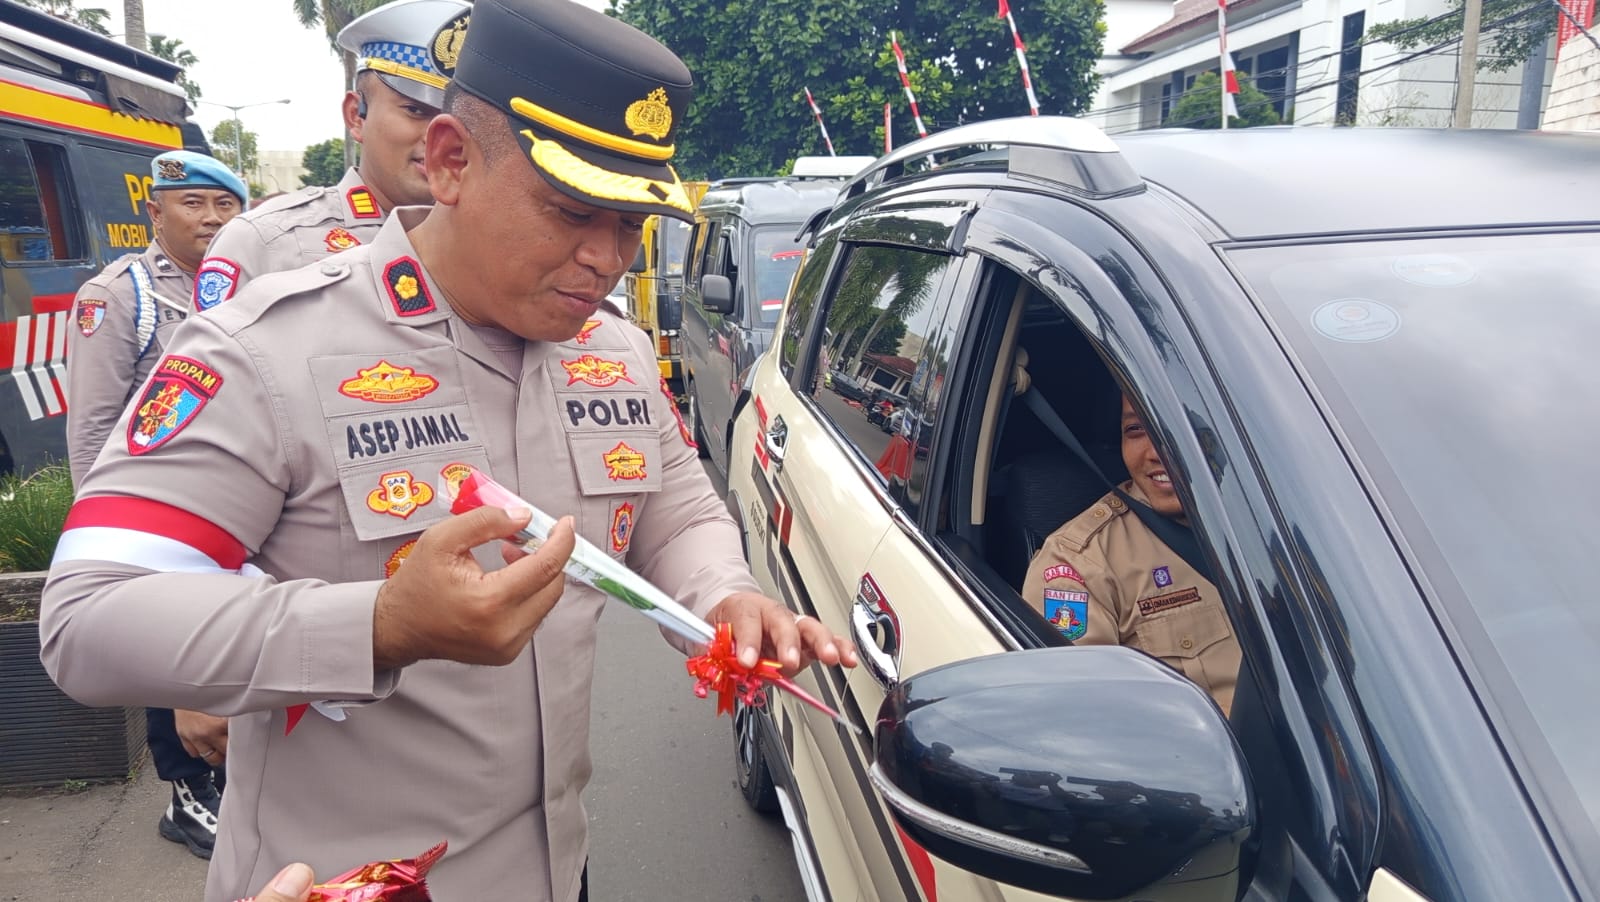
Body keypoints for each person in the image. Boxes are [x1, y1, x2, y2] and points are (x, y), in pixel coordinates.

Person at [41, 2, 857, 900]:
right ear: (450, 160)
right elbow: (87, 617)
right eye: (572, 210)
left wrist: (727, 595)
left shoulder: (615, 349)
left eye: (632, 223)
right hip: (353, 882)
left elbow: (675, 509)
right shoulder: (265, 350)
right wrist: (379, 626)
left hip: (557, 869)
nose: (608, 259)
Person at [62, 148, 247, 860]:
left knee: (227, 638)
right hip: (156, 511)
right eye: (192, 204)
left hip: (234, 498)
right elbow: (91, 428)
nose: (211, 219)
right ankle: (186, 793)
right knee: (171, 645)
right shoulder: (119, 297)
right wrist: (105, 542)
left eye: (224, 205)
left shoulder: (244, 281)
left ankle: (233, 774)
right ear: (155, 212)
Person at [190, 0, 469, 311]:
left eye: (460, 121)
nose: (440, 138)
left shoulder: (486, 246)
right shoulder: (264, 242)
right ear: (356, 116)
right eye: (416, 111)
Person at [1021, 395, 1242, 715]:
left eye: (1180, 427)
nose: (1156, 453)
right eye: (1136, 429)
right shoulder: (1078, 564)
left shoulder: (1276, 524)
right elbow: (1084, 714)